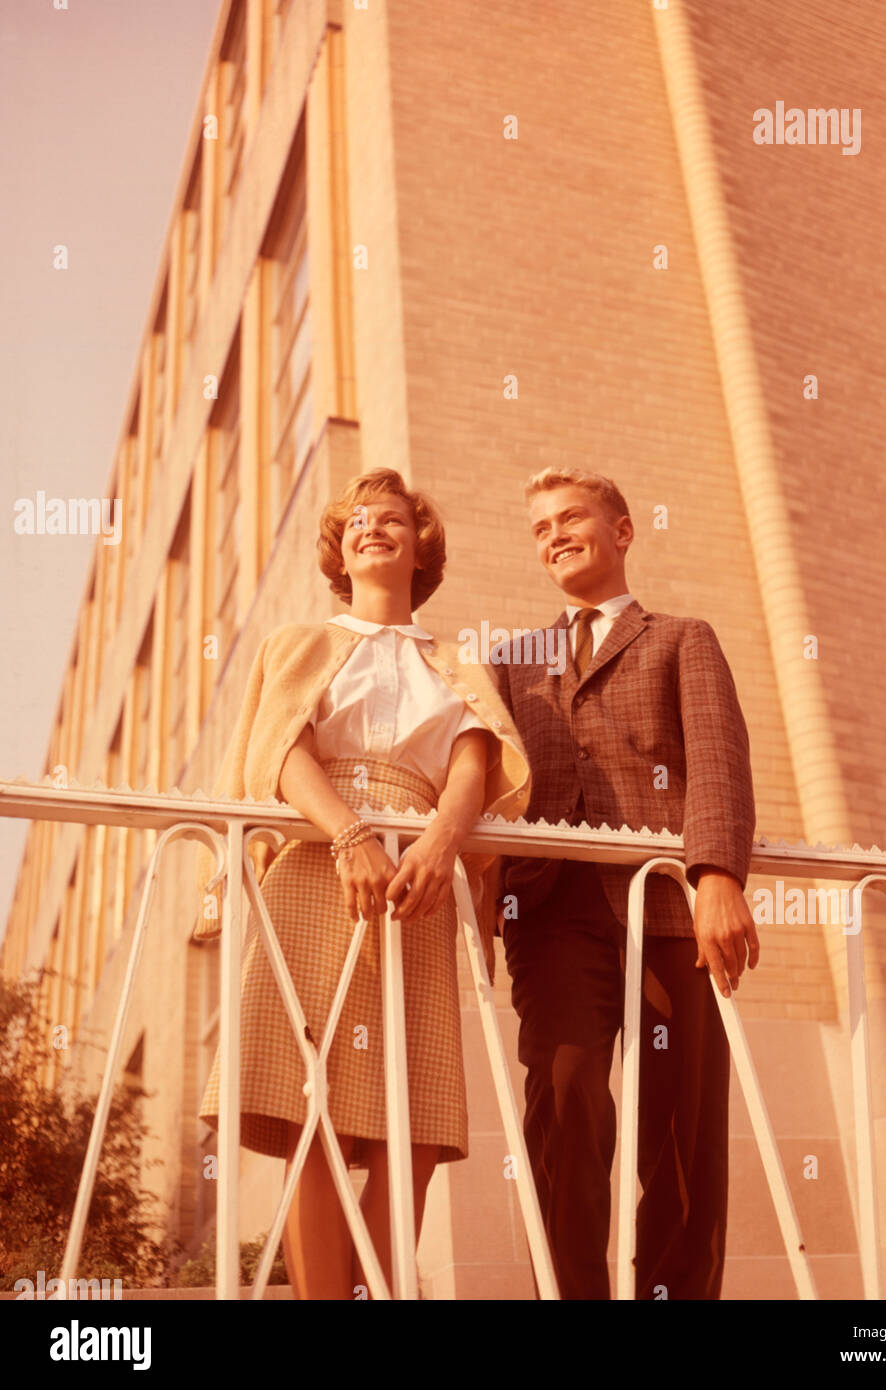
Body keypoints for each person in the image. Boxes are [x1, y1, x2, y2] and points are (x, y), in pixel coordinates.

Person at [194, 468, 529, 1299]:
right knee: (314, 1102)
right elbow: (279, 749)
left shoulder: (455, 663)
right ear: (340, 553)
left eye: (392, 520)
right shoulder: (297, 643)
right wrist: (347, 836)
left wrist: (442, 844)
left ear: (422, 548)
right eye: (355, 524)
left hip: (418, 883)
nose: (371, 529)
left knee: (408, 1122)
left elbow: (471, 766)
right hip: (316, 871)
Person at [490, 467, 758, 1300]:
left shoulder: (681, 637)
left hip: (668, 911)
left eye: (571, 518)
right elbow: (486, 775)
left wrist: (714, 877)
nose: (555, 535)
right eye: (540, 527)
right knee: (564, 1101)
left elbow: (716, 761)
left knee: (681, 1126)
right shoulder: (510, 661)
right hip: (553, 912)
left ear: (622, 531)